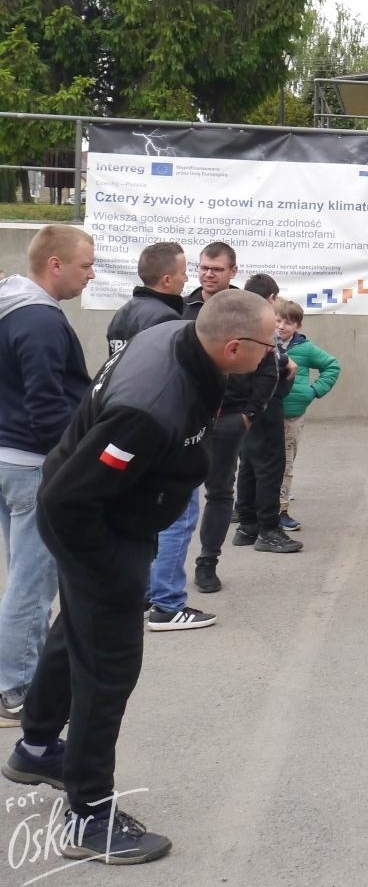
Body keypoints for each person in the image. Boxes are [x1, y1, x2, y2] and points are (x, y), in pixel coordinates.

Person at [1, 291, 276, 865]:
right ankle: (89, 815)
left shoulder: (177, 337)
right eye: (269, 345)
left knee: (73, 631)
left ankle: (35, 746)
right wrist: (110, 571)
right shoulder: (149, 407)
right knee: (109, 670)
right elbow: (66, 499)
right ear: (233, 346)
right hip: (100, 532)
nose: (274, 354)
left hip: (116, 516)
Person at [0, 226, 95, 726]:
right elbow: (45, 402)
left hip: (9, 457)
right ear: (54, 264)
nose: (92, 273)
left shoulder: (12, 305)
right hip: (32, 464)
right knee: (31, 584)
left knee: (23, 576)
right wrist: (69, 463)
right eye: (85, 264)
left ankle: (17, 675)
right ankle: (14, 689)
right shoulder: (38, 319)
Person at [112, 243, 217, 632]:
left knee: (141, 516)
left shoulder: (124, 314)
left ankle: (142, 594)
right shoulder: (165, 321)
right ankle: (168, 604)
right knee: (177, 515)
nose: (191, 277)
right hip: (163, 437)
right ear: (168, 278)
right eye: (186, 270)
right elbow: (170, 382)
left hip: (129, 433)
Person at [185, 244, 281, 592]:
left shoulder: (249, 310)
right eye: (204, 268)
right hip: (187, 417)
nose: (208, 274)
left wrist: (248, 415)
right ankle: (161, 570)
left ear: (232, 272)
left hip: (228, 420)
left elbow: (270, 368)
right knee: (172, 492)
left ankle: (207, 563)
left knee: (220, 492)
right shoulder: (186, 308)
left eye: (217, 269)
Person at [231, 274, 301, 554]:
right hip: (264, 401)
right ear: (271, 299)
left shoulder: (234, 318)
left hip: (242, 401)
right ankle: (269, 530)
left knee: (248, 463)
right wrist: (286, 363)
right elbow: (272, 358)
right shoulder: (261, 321)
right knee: (271, 466)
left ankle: (247, 525)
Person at [274, 298, 340, 530]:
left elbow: (332, 366)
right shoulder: (264, 344)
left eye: (288, 322)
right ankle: (252, 506)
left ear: (298, 326)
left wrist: (313, 391)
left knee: (286, 463)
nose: (281, 326)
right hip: (266, 414)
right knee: (260, 463)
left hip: (291, 415)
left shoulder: (305, 348)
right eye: (278, 320)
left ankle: (281, 510)